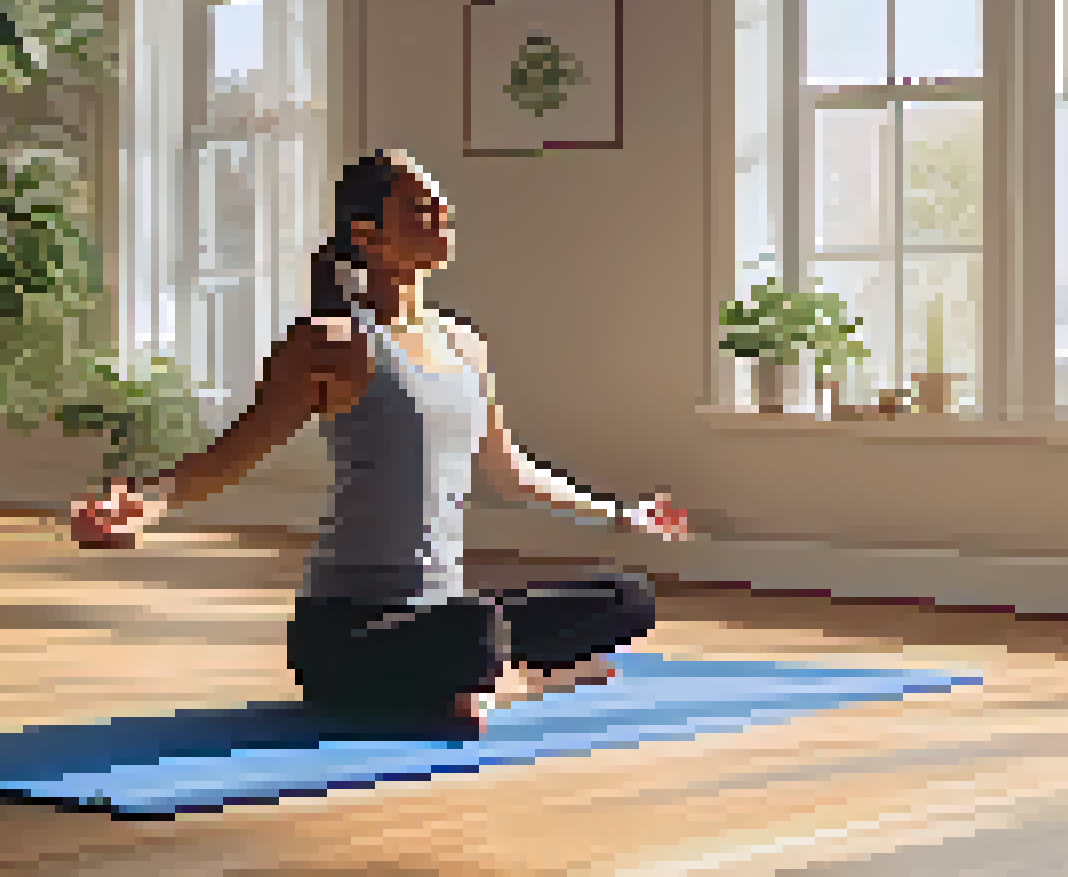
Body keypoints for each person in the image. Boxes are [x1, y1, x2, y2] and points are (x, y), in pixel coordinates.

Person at [69, 149, 693, 732]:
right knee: (474, 630)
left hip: (444, 612)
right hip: (350, 629)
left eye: (442, 208)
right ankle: (515, 680)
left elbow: (510, 472)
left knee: (626, 597)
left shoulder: (464, 345)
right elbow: (234, 454)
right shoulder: (330, 342)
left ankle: (486, 680)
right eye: (420, 210)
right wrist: (145, 505)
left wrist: (620, 512)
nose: (441, 219)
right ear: (368, 236)